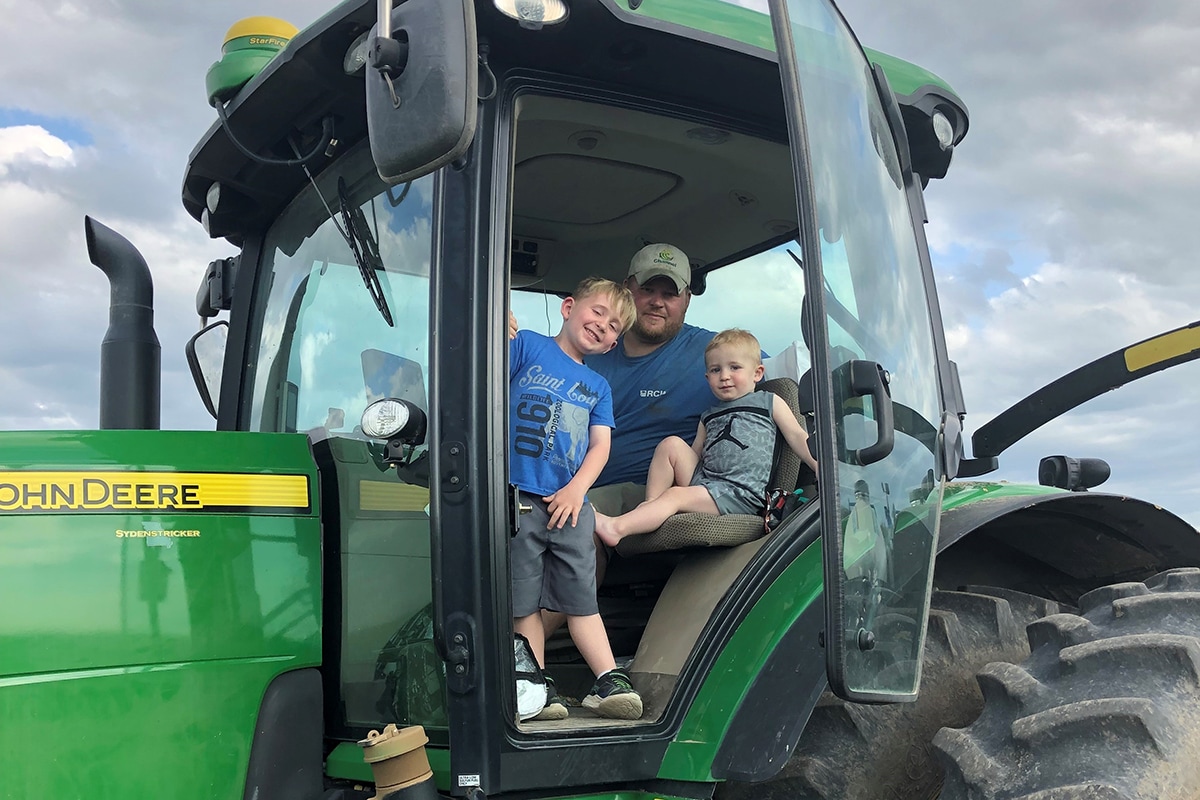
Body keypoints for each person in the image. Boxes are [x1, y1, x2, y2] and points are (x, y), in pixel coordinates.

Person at [507, 277, 644, 721]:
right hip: (518, 496)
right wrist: (495, 331)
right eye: (597, 312)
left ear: (612, 345)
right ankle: (535, 683)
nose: (603, 326)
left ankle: (607, 681)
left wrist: (577, 489)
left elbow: (600, 445)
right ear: (568, 307)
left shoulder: (597, 387)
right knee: (524, 599)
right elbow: (484, 374)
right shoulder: (526, 346)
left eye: (614, 327)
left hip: (570, 504)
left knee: (580, 598)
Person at [594, 328, 818, 547]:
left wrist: (819, 465)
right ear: (707, 376)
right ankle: (651, 508)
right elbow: (694, 456)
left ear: (757, 373)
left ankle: (615, 528)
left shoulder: (769, 401)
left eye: (735, 367)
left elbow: (797, 435)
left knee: (674, 496)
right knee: (670, 444)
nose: (725, 376)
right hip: (707, 484)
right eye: (715, 370)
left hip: (739, 493)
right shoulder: (709, 415)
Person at [586, 242, 717, 515]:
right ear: (626, 290)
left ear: (687, 301)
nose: (657, 302)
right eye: (647, 290)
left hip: (654, 497)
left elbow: (771, 372)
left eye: (670, 294)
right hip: (575, 486)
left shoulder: (715, 353)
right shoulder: (589, 352)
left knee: (577, 521)